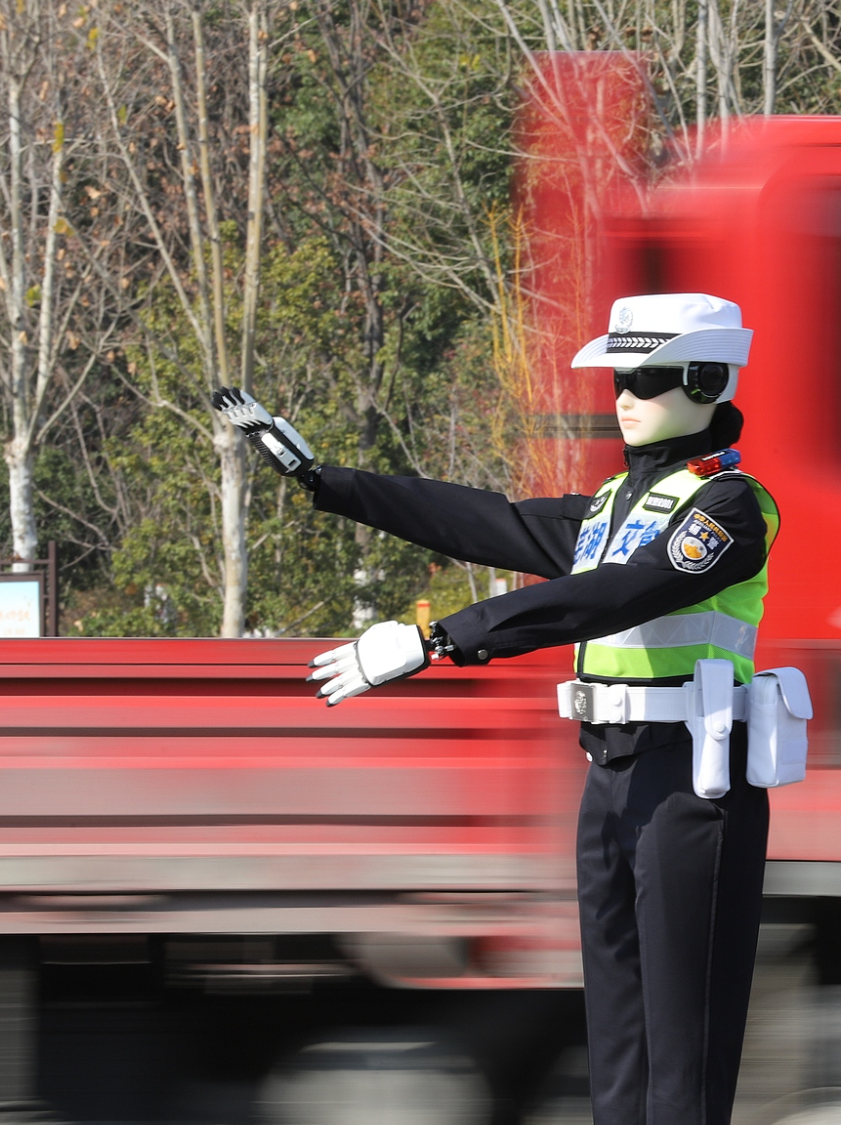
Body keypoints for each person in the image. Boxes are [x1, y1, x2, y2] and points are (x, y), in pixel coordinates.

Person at [213, 292, 777, 1125]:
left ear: (705, 379)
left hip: (691, 782)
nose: (623, 394)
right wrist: (326, 481)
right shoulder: (614, 505)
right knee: (617, 1041)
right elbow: (487, 521)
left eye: (647, 378)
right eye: (618, 377)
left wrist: (439, 638)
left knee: (681, 1048)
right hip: (610, 775)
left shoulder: (729, 505)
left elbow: (614, 594)